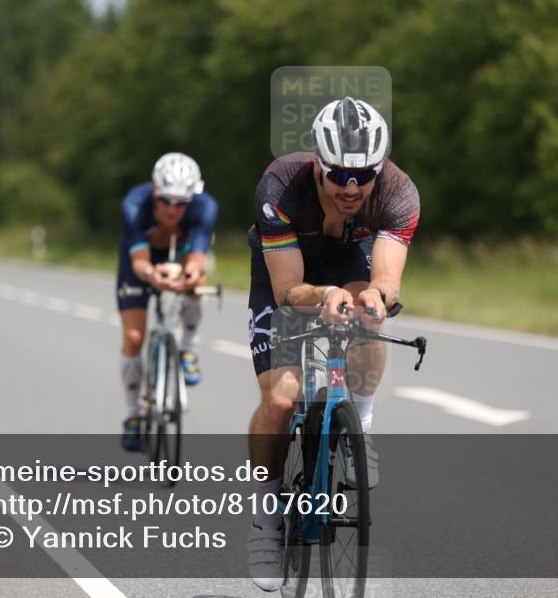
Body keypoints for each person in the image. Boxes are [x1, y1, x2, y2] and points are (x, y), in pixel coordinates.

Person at [244, 97, 420, 590]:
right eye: (338, 173)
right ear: (318, 163)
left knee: (370, 313)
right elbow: (287, 291)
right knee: (280, 398)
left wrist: (375, 300)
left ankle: (359, 420)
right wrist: (322, 296)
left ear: (378, 169)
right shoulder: (280, 186)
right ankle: (264, 520)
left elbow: (386, 278)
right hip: (288, 272)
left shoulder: (399, 194)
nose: (350, 186)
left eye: (362, 175)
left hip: (349, 261)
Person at [116, 152, 218, 451]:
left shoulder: (206, 207)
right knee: (134, 338)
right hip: (141, 261)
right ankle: (133, 415)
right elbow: (139, 262)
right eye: (166, 201)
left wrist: (190, 273)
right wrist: (152, 276)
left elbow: (198, 257)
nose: (173, 210)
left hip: (180, 253)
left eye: (181, 203)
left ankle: (188, 348)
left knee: (197, 283)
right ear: (155, 192)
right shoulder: (134, 205)